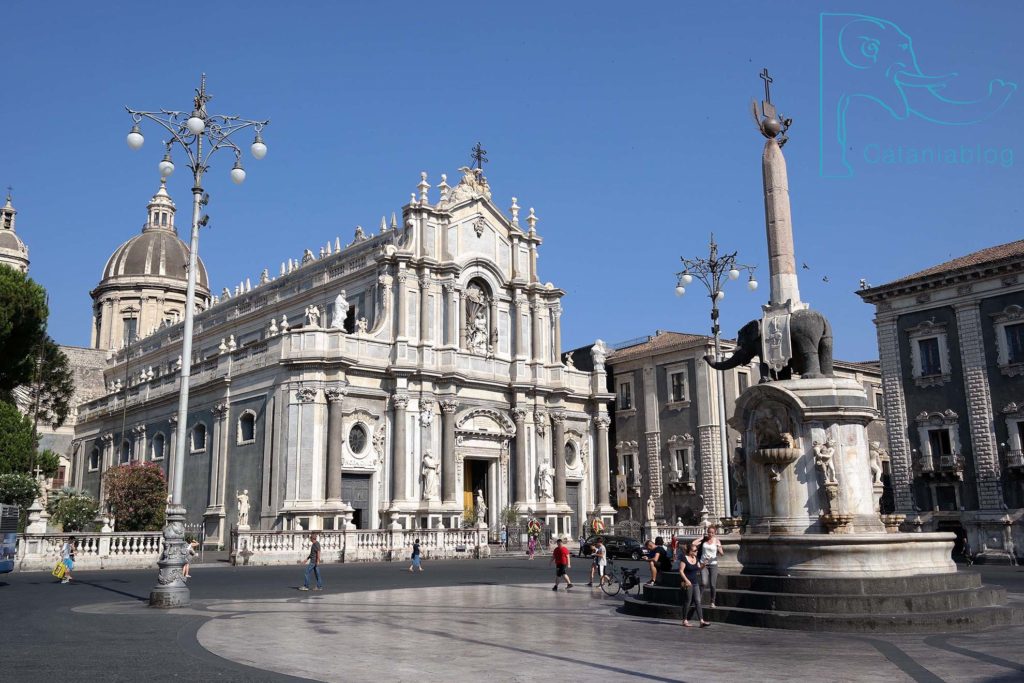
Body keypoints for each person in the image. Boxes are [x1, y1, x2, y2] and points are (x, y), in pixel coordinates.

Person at [680, 539, 709, 627]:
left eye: (696, 550)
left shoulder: (696, 558)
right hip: (688, 583)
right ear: (689, 551)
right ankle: (684, 620)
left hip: (695, 582)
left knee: (698, 601)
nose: (696, 551)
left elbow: (699, 569)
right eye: (694, 550)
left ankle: (701, 621)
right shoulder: (684, 559)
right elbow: (681, 571)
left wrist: (704, 564)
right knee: (688, 601)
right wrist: (686, 580)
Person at [699, 526, 725, 607]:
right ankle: (698, 599)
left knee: (713, 585)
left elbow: (721, 553)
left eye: (712, 532)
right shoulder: (704, 539)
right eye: (709, 532)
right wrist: (700, 538)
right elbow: (694, 544)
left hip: (713, 564)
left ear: (715, 533)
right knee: (704, 582)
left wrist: (718, 547)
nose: (710, 534)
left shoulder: (717, 541)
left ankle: (712, 602)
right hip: (704, 564)